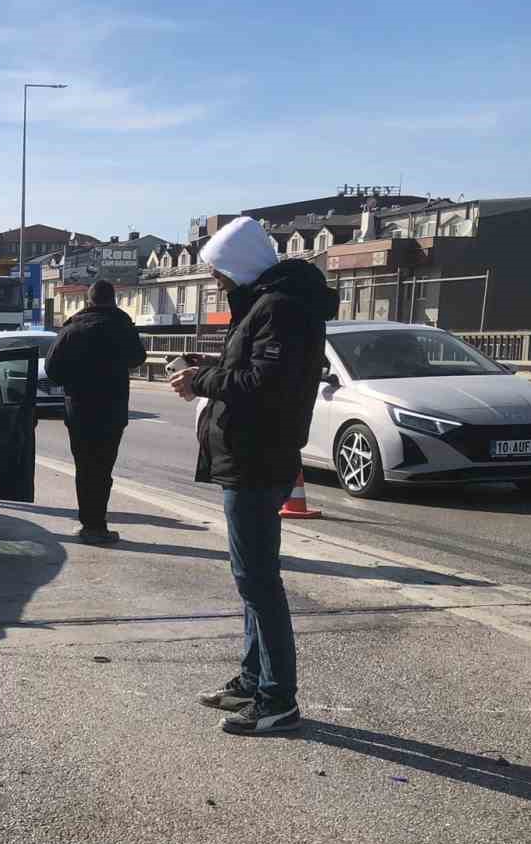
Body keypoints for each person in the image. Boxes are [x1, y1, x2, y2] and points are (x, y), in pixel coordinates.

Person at [168, 216, 335, 736]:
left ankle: (277, 698)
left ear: (238, 266)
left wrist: (202, 380)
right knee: (252, 581)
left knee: (258, 582)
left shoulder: (280, 308)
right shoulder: (271, 303)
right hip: (253, 456)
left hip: (258, 459)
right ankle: (252, 679)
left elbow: (264, 381)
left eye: (219, 273)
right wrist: (210, 365)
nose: (217, 283)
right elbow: (255, 368)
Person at [45, 279, 145, 545]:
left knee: (84, 467)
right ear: (113, 301)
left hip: (78, 409)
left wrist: (73, 379)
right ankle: (97, 525)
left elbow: (52, 370)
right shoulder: (122, 326)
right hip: (112, 410)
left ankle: (88, 524)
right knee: (103, 467)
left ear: (88, 301)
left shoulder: (71, 329)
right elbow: (139, 358)